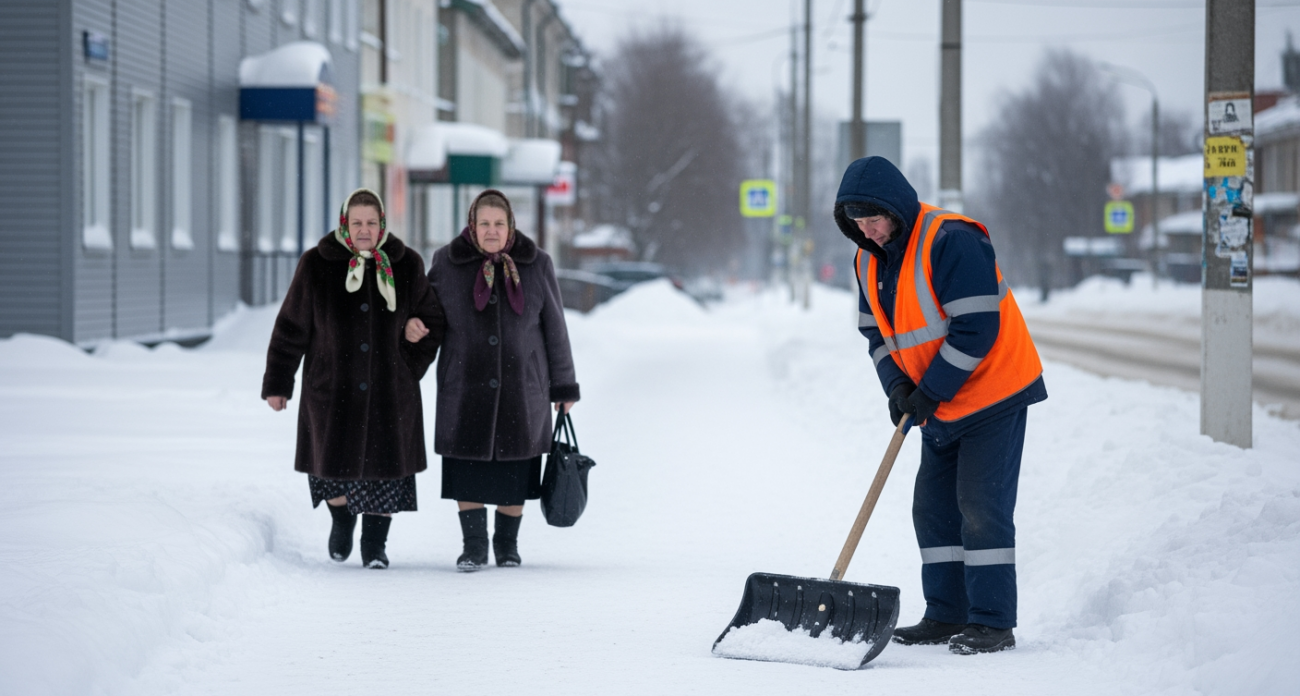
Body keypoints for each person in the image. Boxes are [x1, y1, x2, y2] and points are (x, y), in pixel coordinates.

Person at [835, 157, 1047, 655]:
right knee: (932, 509)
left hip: (994, 392)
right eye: (858, 224)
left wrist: (929, 391)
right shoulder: (868, 258)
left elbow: (977, 327)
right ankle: (946, 614)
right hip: (941, 401)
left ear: (897, 210)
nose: (869, 231)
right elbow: (876, 333)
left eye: (876, 220)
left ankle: (993, 622)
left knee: (980, 505)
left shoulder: (950, 240)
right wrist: (896, 387)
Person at [262, 188, 445, 569]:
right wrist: (279, 382)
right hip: (331, 389)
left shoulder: (405, 264)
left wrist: (412, 351)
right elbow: (291, 327)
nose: (365, 230)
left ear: (383, 225)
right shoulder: (317, 263)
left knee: (386, 473)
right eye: (357, 223)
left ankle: (375, 546)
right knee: (331, 472)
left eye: (372, 223)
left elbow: (435, 321)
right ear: (345, 223)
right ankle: (342, 519)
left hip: (389, 391)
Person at [421, 189, 579, 572]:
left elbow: (555, 328)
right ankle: (473, 547)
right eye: (484, 224)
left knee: (516, 469)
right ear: (472, 225)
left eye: (498, 224)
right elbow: (427, 319)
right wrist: (408, 360)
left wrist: (564, 385)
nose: (491, 231)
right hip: (465, 384)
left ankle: (507, 545)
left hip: (522, 387)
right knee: (466, 469)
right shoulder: (446, 262)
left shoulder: (536, 263)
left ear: (510, 226)